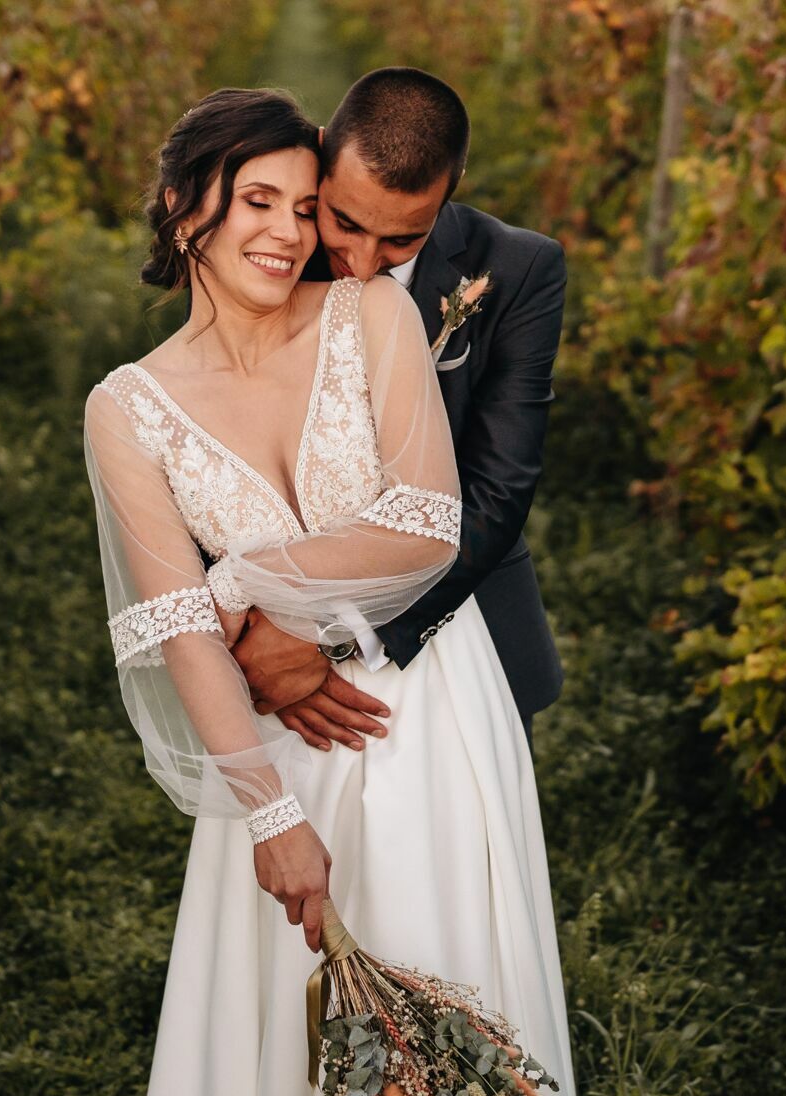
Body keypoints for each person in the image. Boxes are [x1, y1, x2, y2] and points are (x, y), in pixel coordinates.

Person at [86, 86, 596, 1096]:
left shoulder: (373, 312)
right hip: (271, 732)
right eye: (259, 202)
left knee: (442, 937)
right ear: (186, 209)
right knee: (280, 1002)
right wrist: (268, 812)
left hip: (424, 704)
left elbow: (431, 523)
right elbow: (179, 632)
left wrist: (242, 587)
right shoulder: (126, 406)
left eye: (300, 205)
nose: (294, 232)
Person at [229, 67, 567, 758]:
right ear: (322, 153)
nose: (359, 264)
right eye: (345, 222)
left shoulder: (521, 269)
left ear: (451, 191)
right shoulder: (266, 253)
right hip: (270, 639)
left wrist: (332, 634)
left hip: (460, 621)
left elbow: (498, 490)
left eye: (400, 242)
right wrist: (260, 631)